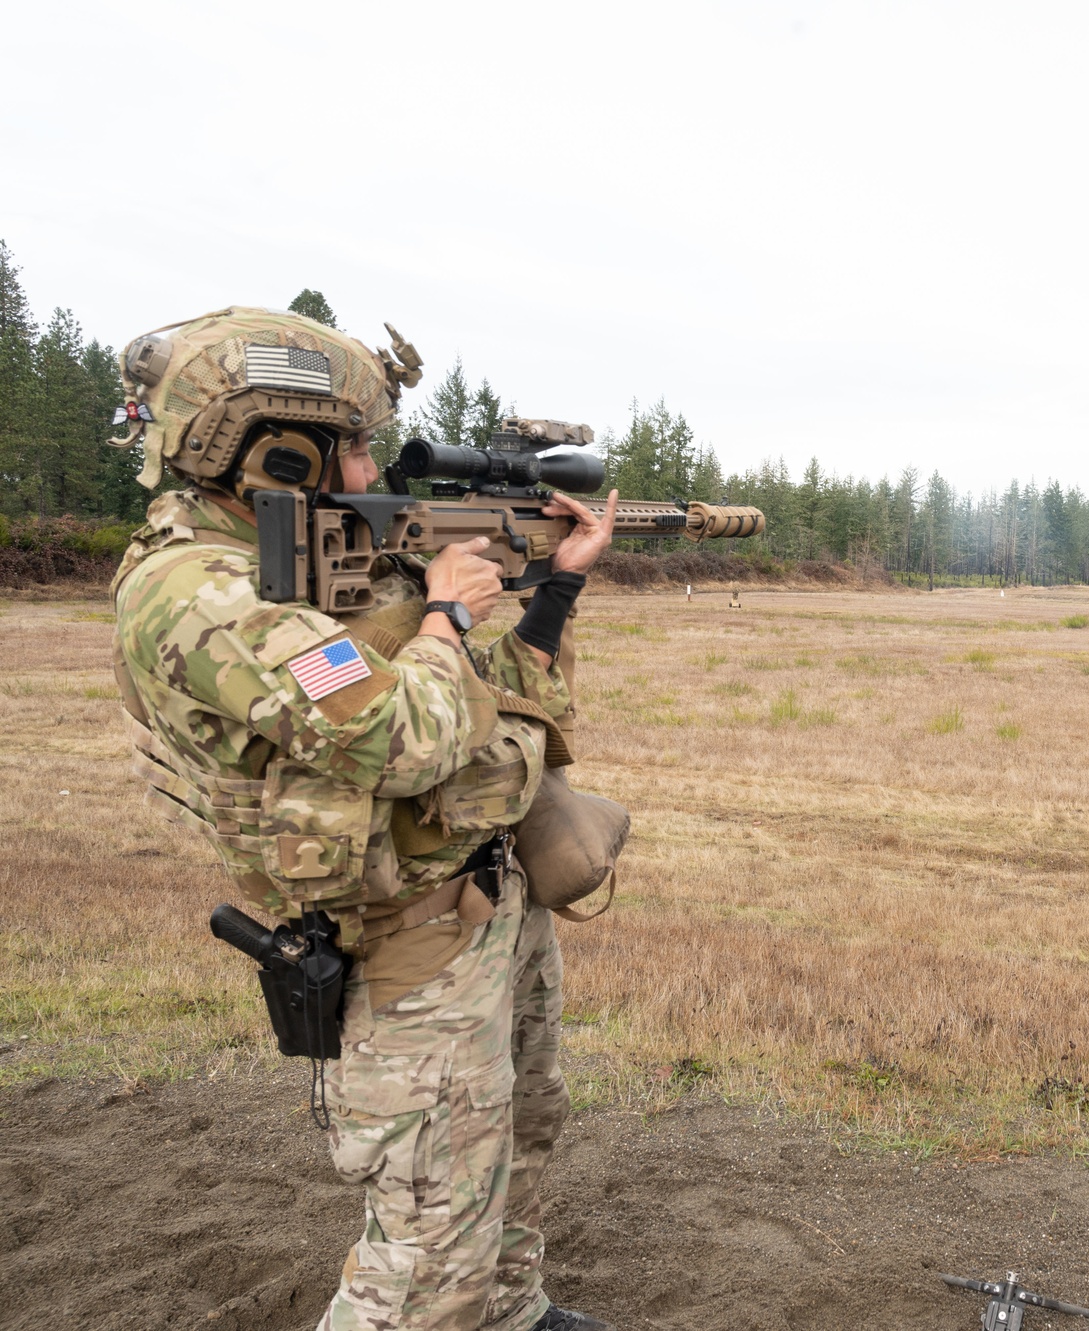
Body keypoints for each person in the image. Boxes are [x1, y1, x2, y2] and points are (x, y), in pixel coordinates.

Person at [107, 307, 618, 1331]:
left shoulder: (331, 557)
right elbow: (404, 732)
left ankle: (511, 1310)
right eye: (350, 440)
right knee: (429, 1233)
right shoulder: (198, 592)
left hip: (479, 891)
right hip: (396, 936)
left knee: (519, 1132)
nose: (370, 461)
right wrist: (449, 609)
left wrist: (549, 593)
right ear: (272, 444)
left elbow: (490, 704)